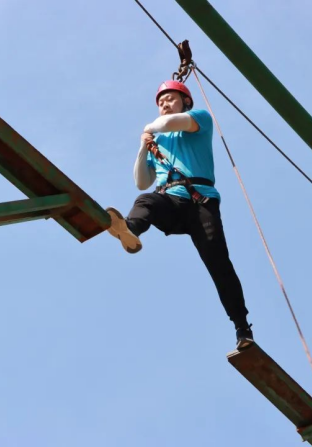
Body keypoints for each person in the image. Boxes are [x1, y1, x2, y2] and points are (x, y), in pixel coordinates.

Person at [106, 80, 254, 349]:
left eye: (170, 99)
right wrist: (143, 146)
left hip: (201, 203)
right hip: (171, 200)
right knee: (145, 199)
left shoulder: (199, 119)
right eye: (161, 102)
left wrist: (149, 128)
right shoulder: (157, 138)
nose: (164, 104)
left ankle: (241, 327)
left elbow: (167, 123)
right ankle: (129, 229)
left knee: (218, 264)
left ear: (186, 101)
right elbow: (142, 181)